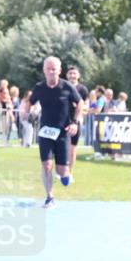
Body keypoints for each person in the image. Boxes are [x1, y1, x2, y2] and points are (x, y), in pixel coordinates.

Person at [20, 56, 84, 209]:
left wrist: (75, 122)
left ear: (59, 71)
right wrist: (27, 113)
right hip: (45, 132)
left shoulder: (67, 86)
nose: (51, 72)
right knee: (47, 165)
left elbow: (80, 102)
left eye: (54, 69)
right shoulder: (39, 87)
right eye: (48, 69)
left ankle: (65, 175)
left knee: (62, 173)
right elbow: (30, 102)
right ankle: (50, 197)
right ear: (44, 70)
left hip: (63, 133)